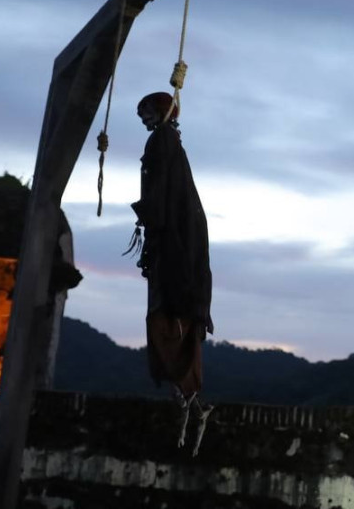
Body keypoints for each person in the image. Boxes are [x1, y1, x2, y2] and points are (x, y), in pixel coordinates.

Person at [131, 91, 214, 452]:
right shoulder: (169, 142)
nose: (144, 120)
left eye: (147, 112)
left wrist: (152, 222)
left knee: (170, 313)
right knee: (175, 313)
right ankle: (188, 394)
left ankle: (187, 393)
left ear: (162, 112)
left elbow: (161, 191)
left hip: (175, 244)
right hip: (177, 242)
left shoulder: (163, 141)